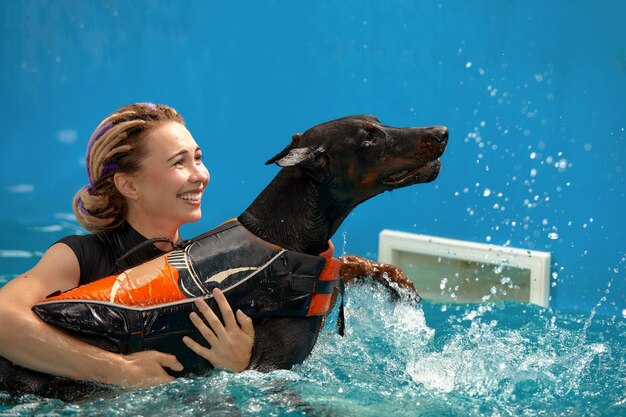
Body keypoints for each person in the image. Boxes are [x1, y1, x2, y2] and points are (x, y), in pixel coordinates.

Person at [0, 103, 254, 389]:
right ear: (129, 186)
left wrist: (239, 368)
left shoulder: (207, 266)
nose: (200, 175)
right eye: (179, 163)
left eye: (198, 158)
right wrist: (117, 370)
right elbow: (3, 319)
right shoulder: (81, 256)